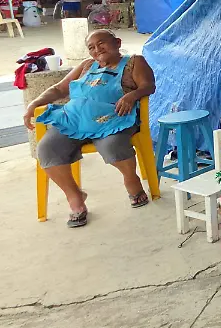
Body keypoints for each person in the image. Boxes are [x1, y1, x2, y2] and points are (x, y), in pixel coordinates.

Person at [25, 30, 157, 227]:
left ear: (117, 43)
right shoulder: (86, 66)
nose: (97, 49)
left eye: (102, 43)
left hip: (112, 120)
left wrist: (132, 95)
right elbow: (60, 89)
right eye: (92, 47)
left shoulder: (133, 62)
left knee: (113, 146)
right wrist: (33, 104)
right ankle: (75, 198)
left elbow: (149, 85)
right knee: (47, 149)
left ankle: (132, 181)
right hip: (74, 120)